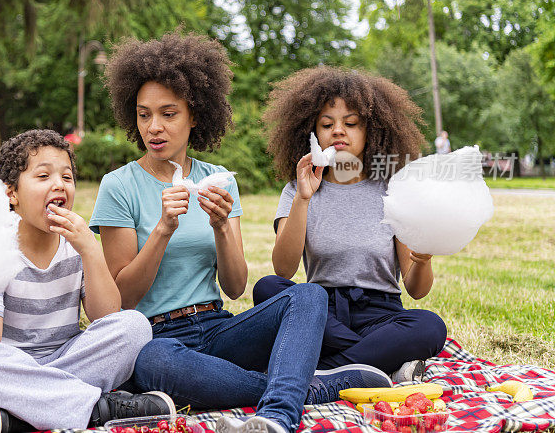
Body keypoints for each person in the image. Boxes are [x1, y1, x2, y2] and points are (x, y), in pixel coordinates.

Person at [89, 33, 391, 433]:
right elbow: (121, 299)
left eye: (168, 113)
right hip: (155, 336)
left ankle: (276, 417)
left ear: (195, 115)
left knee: (307, 294)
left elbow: (235, 287)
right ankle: (310, 390)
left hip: (217, 327)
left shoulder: (218, 181)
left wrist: (220, 228)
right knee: (152, 363)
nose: (154, 127)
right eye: (144, 114)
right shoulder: (119, 185)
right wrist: (163, 230)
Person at [0, 130, 175, 433]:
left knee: (135, 326)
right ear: (11, 193)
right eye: (43, 176)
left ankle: (24, 408)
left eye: (67, 178)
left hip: (65, 357)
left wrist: (90, 249)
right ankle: (97, 408)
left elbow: (105, 315)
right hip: (9, 362)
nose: (59, 185)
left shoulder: (77, 244)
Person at [256, 66, 448, 385]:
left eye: (351, 123)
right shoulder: (297, 189)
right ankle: (372, 363)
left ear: (371, 131)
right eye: (327, 124)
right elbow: (283, 270)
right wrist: (304, 198)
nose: (339, 131)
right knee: (267, 289)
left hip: (381, 315)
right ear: (312, 133)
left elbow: (416, 290)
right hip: (319, 314)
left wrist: (424, 260)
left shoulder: (394, 191)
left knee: (430, 326)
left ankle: (327, 370)